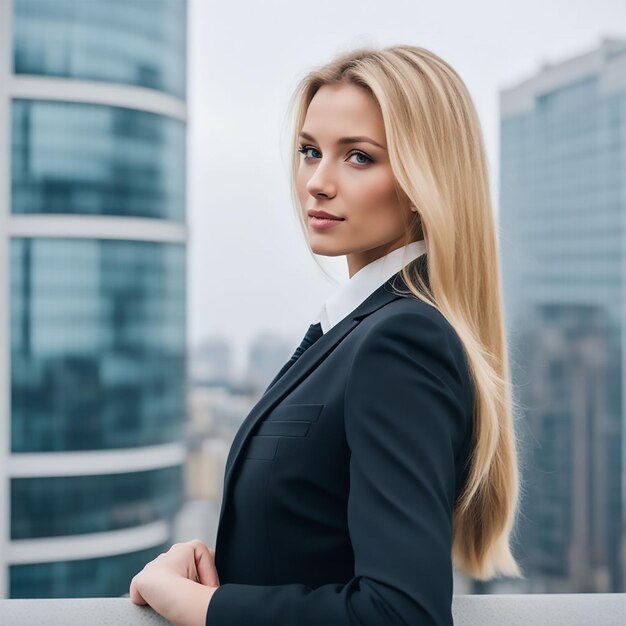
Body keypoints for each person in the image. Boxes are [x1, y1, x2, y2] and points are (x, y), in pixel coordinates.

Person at [129, 44, 524, 625]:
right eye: (309, 151)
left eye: (358, 158)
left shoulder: (401, 342)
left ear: (425, 179)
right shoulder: (358, 328)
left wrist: (199, 606)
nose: (317, 181)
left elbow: (400, 614)